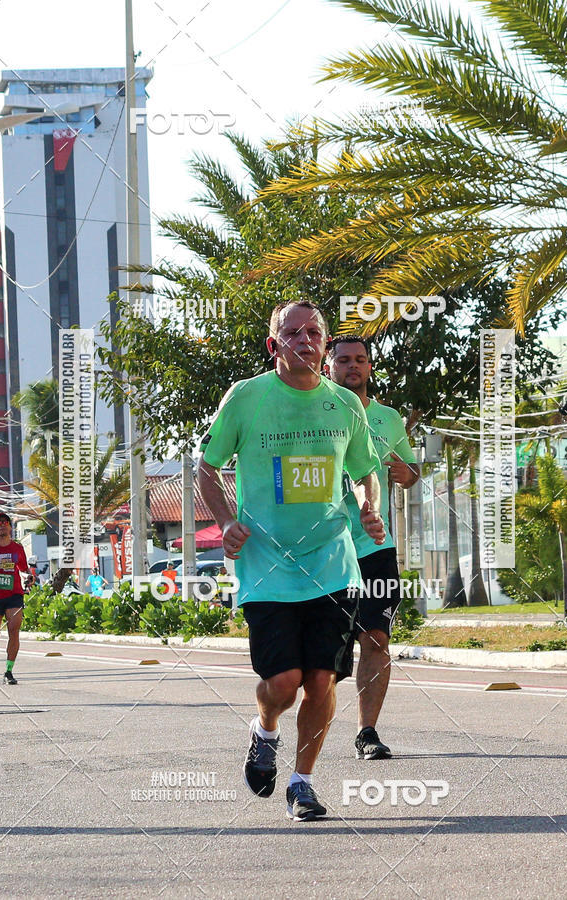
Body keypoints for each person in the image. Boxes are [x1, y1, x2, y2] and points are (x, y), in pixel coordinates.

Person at [198, 300, 385, 821]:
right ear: (273, 344)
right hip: (267, 564)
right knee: (283, 682)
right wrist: (228, 521)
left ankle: (302, 782)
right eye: (293, 332)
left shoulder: (346, 406)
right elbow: (207, 469)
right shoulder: (247, 398)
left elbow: (365, 470)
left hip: (332, 564)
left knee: (321, 681)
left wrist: (367, 505)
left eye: (315, 333)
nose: (305, 340)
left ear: (326, 345)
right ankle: (265, 730)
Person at [327, 335, 420, 759]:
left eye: (360, 360)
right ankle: (309, 725)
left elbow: (410, 470)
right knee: (326, 652)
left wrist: (406, 472)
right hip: (324, 549)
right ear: (329, 367)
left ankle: (367, 733)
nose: (353, 366)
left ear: (369, 367)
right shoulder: (314, 414)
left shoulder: (388, 418)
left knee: (377, 638)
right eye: (343, 360)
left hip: (376, 548)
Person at [0, 512, 31, 685]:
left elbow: (24, 569)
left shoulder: (17, 548)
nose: (3, 525)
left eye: (6, 522)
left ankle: (8, 671)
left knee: (14, 630)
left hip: (14, 595)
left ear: (10, 527)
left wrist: (29, 577)